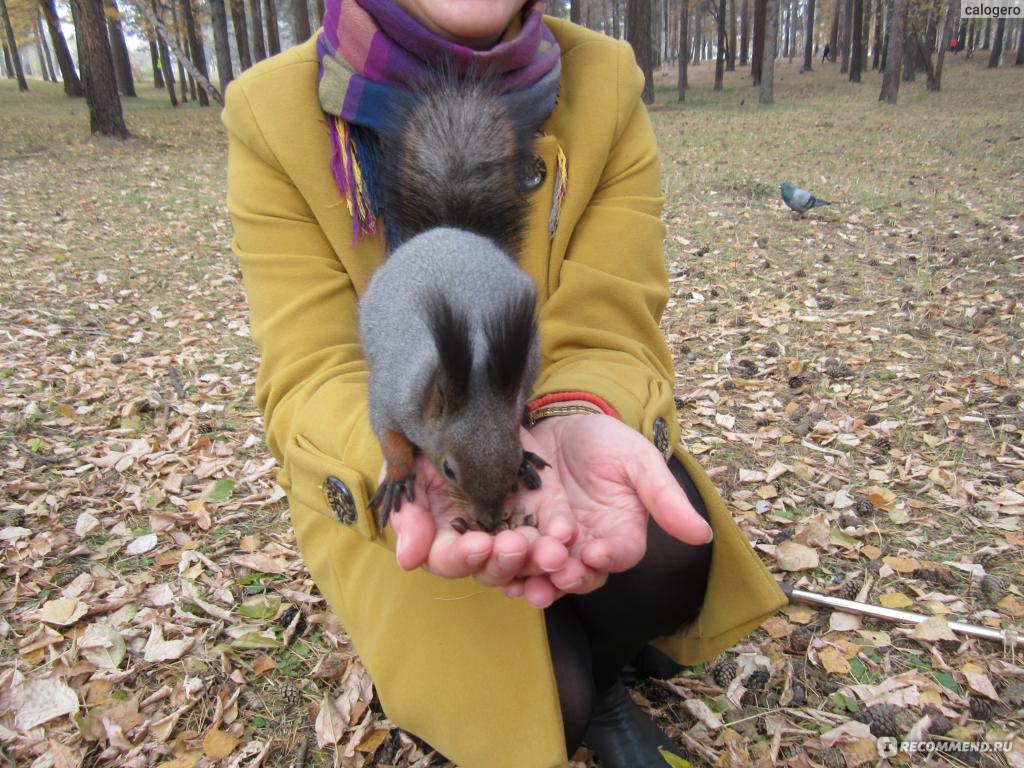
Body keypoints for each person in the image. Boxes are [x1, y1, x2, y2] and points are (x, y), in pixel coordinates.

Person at [222, 1, 786, 766]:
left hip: (511, 417)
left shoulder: (606, 81)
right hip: (392, 479)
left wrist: (566, 411)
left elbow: (610, 322)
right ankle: (588, 687)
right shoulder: (270, 110)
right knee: (550, 705)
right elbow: (309, 372)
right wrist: (404, 469)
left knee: (671, 556)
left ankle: (607, 663)